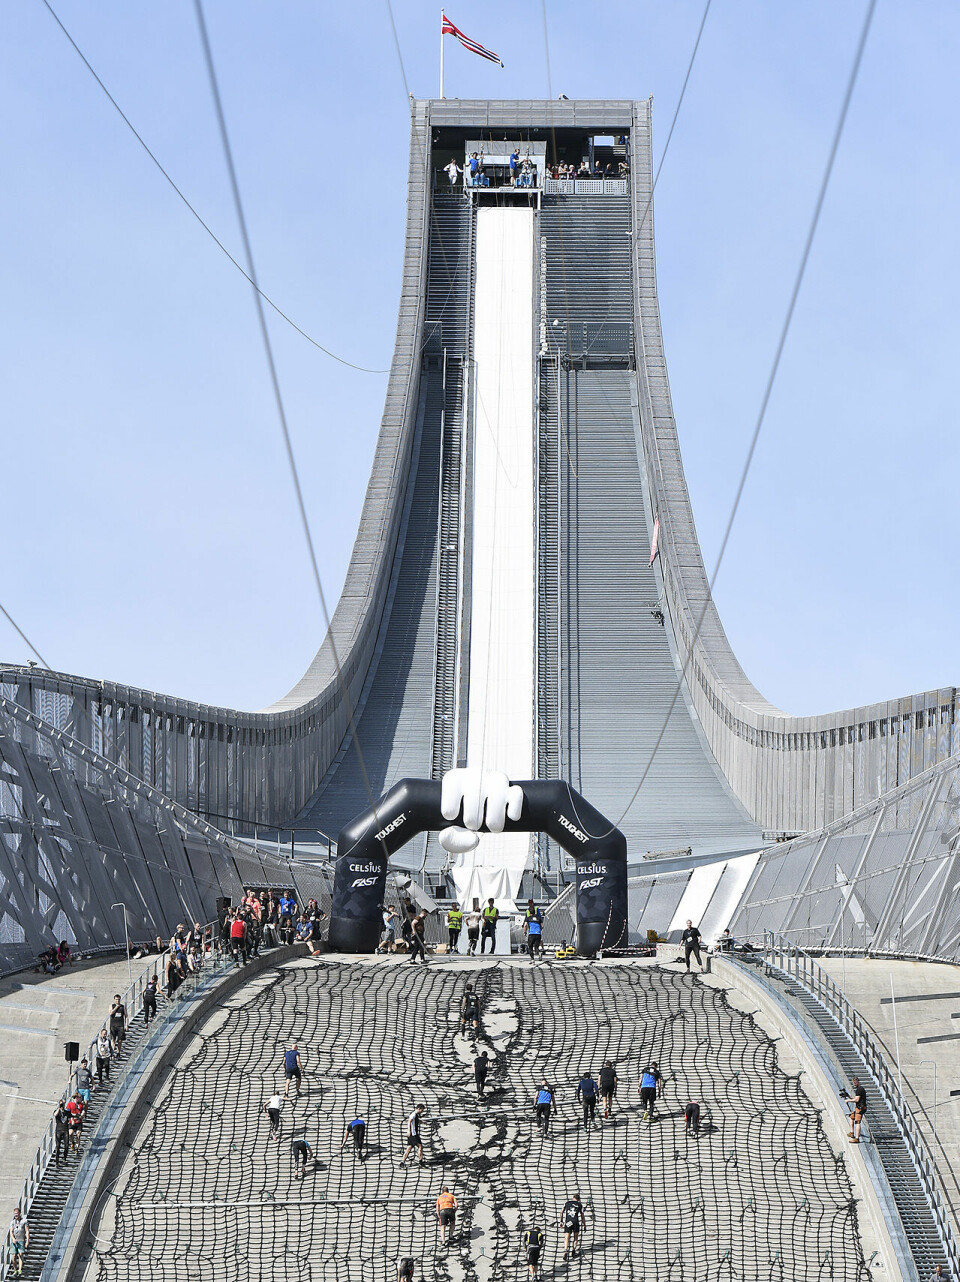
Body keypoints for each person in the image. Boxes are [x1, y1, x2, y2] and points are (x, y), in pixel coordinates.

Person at [560, 1193, 585, 1261]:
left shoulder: (567, 1203)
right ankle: (573, 1250)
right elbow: (582, 1215)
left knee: (566, 1237)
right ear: (579, 1199)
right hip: (575, 1222)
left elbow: (561, 1212)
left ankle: (565, 1250)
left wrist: (561, 1221)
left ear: (573, 1197)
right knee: (575, 1237)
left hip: (568, 1222)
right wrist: (584, 1224)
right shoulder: (580, 1205)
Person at [844, 1076, 867, 1143]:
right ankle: (851, 1132)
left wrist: (848, 1100)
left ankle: (857, 1138)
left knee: (857, 1122)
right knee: (851, 1117)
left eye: (855, 1083)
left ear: (858, 1082)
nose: (854, 1084)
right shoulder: (859, 1089)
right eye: (853, 1083)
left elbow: (857, 1100)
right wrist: (849, 1097)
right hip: (858, 1108)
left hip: (860, 1108)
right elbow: (856, 1097)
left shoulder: (859, 1089)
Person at [9, 1207, 29, 1276]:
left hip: (21, 1240)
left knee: (20, 1254)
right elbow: (11, 1232)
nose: (15, 1215)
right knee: (14, 1256)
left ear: (20, 1213)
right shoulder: (12, 1222)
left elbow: (27, 1231)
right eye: (14, 1214)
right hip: (14, 1241)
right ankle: (15, 1269)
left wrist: (27, 1241)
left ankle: (20, 1269)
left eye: (17, 1214)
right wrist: (13, 1239)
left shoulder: (24, 1221)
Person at [53, 1099, 71, 1166]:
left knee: (66, 1145)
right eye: (61, 1104)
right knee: (58, 1146)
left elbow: (71, 1116)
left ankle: (64, 1158)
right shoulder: (57, 1111)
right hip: (59, 1130)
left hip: (65, 1130)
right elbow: (55, 1115)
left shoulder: (66, 1112)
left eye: (63, 1104)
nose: (62, 1105)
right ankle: (57, 1161)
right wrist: (59, 1107)